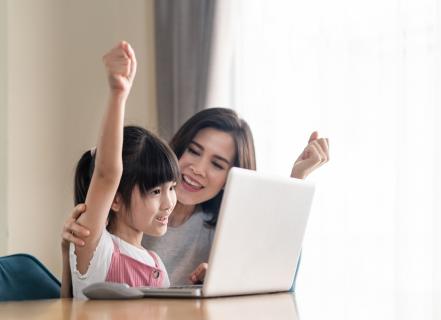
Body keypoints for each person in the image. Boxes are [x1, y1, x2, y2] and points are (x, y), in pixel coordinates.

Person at [61, 60, 330, 297]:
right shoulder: (104, 242)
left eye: (217, 164)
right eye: (194, 151)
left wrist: (298, 177)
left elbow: (271, 263)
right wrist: (118, 93)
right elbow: (108, 174)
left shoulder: (162, 259)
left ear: (230, 178)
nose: (198, 169)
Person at [67, 41, 180, 299]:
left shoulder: (157, 265)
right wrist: (118, 94)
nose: (169, 202)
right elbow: (107, 174)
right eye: (155, 191)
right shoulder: (95, 249)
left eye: (171, 188)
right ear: (116, 199)